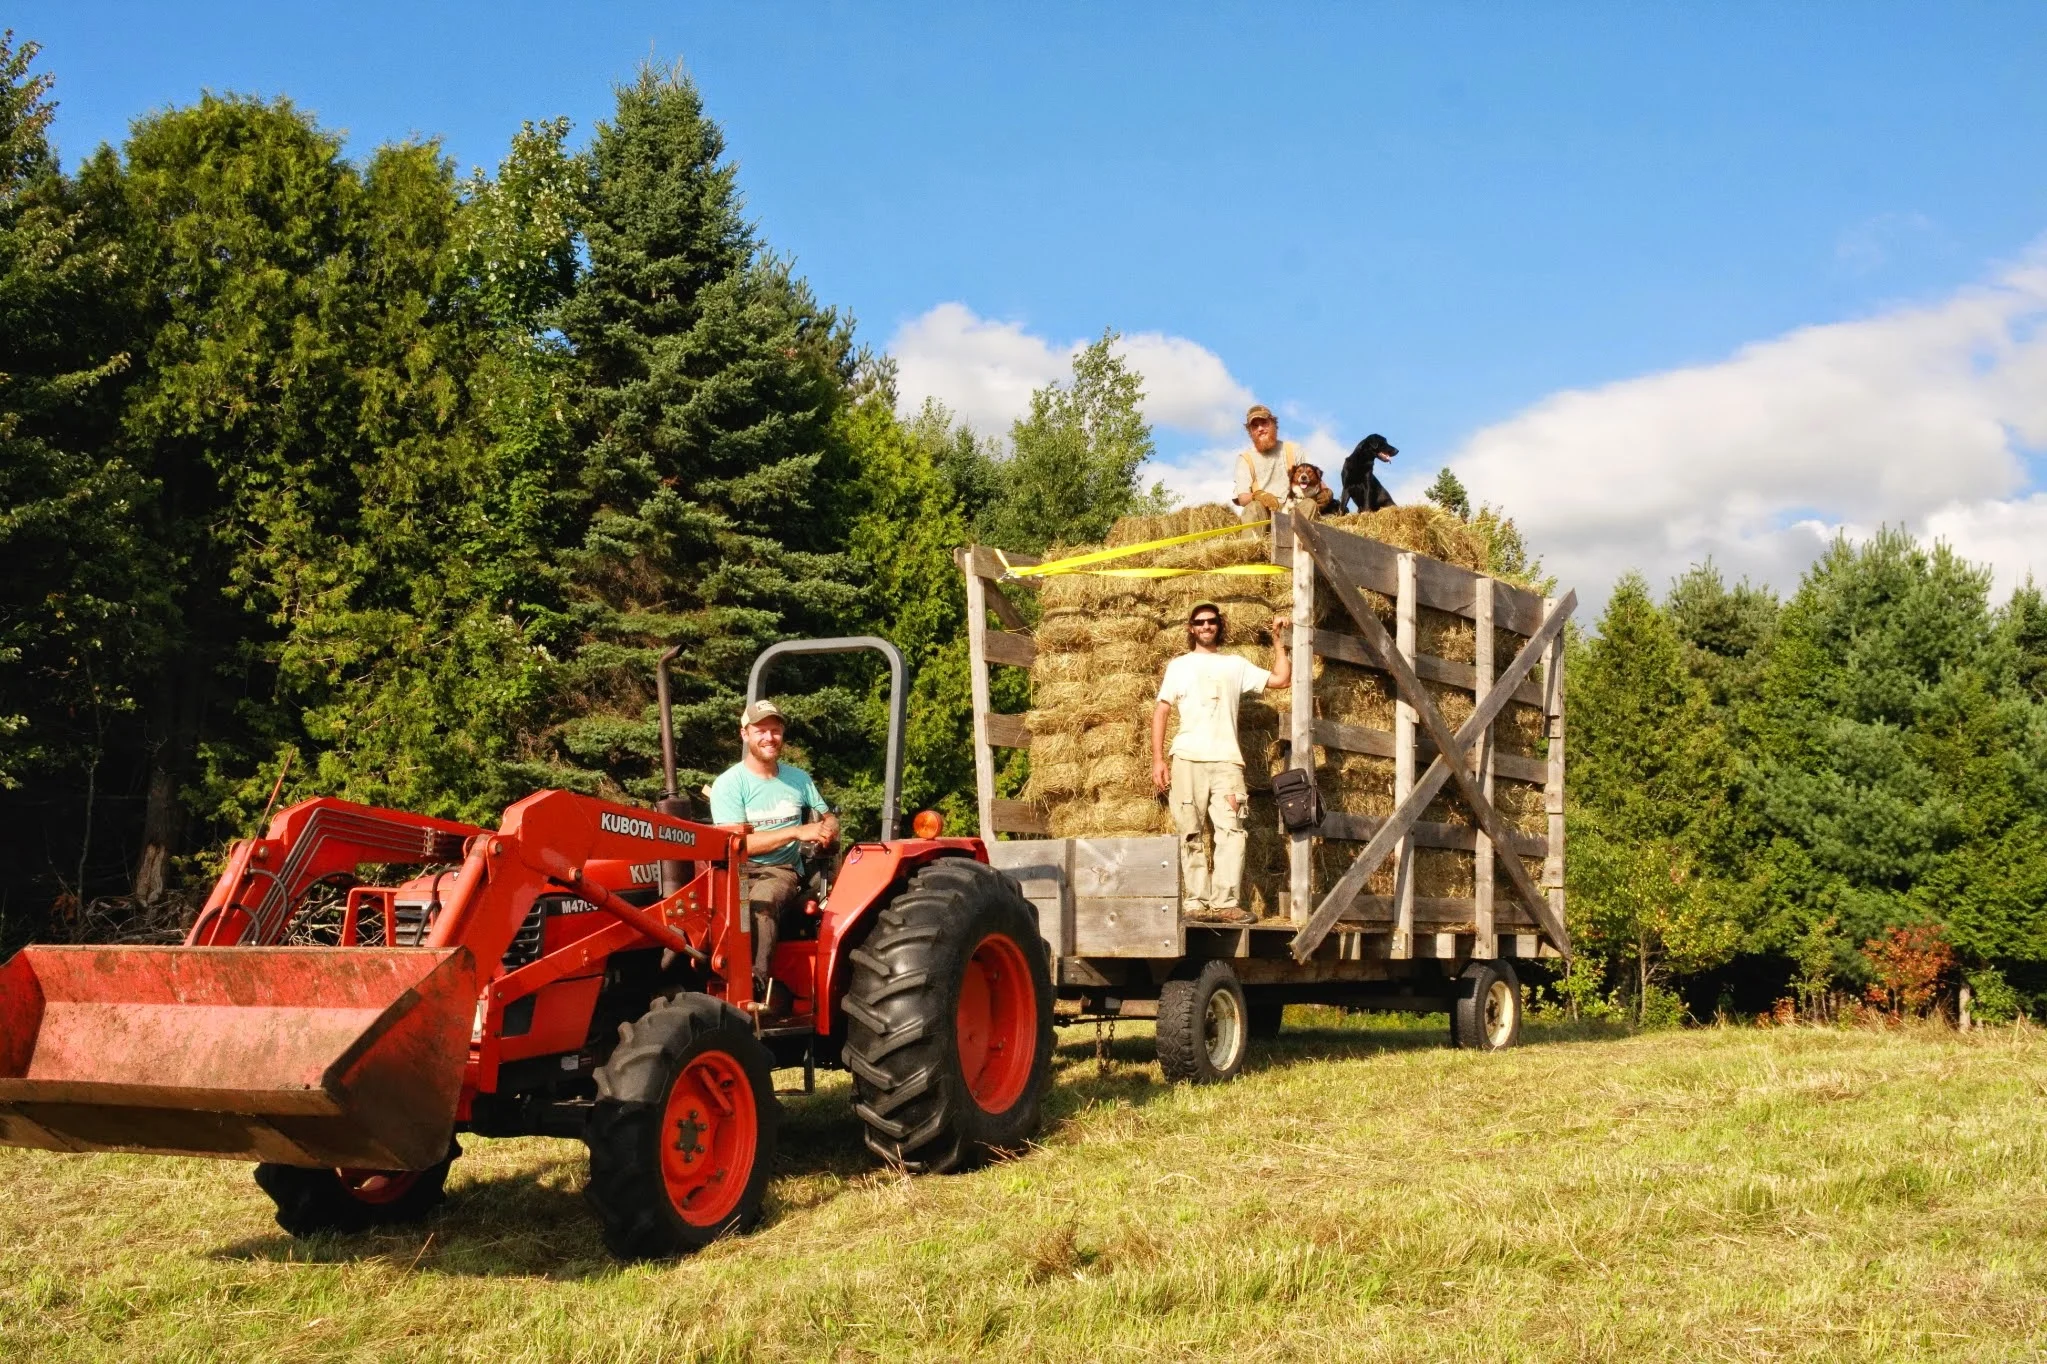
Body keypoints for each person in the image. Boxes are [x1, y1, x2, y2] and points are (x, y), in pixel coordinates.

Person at [1149, 604, 1292, 923]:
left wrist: (1279, 642)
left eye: (1211, 622)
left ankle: (1226, 902)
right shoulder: (1179, 666)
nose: (1206, 626)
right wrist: (1159, 759)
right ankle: (1196, 902)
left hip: (1227, 761)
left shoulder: (1235, 665)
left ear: (1219, 626)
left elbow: (1282, 680)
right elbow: (1161, 711)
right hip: (1187, 758)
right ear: (1191, 628)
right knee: (1190, 832)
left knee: (1232, 831)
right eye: (1199, 622)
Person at [708, 700, 839, 1004]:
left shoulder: (798, 779)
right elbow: (738, 845)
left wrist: (828, 828)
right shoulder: (730, 784)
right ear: (745, 735)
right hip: (735, 869)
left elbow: (826, 815)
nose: (769, 737)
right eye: (761, 731)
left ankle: (753, 990)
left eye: (775, 730)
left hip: (781, 870)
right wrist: (795, 831)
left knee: (760, 903)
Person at [1232, 404, 1301, 518]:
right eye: (1255, 426)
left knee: (1310, 503)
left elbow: (1317, 483)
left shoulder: (1293, 450)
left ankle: (1302, 535)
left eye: (1264, 423)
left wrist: (1325, 493)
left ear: (1274, 424)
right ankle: (1252, 537)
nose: (1260, 429)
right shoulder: (1245, 459)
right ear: (1250, 432)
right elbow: (1242, 498)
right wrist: (1259, 495)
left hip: (1294, 511)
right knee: (1253, 507)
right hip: (1267, 514)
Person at [1340, 433, 1398, 513]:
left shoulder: (1368, 467)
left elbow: (1367, 489)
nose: (1388, 447)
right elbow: (1346, 489)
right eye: (1384, 445)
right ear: (1373, 444)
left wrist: (1366, 512)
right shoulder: (1348, 466)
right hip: (1367, 510)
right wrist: (1341, 512)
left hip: (1384, 504)